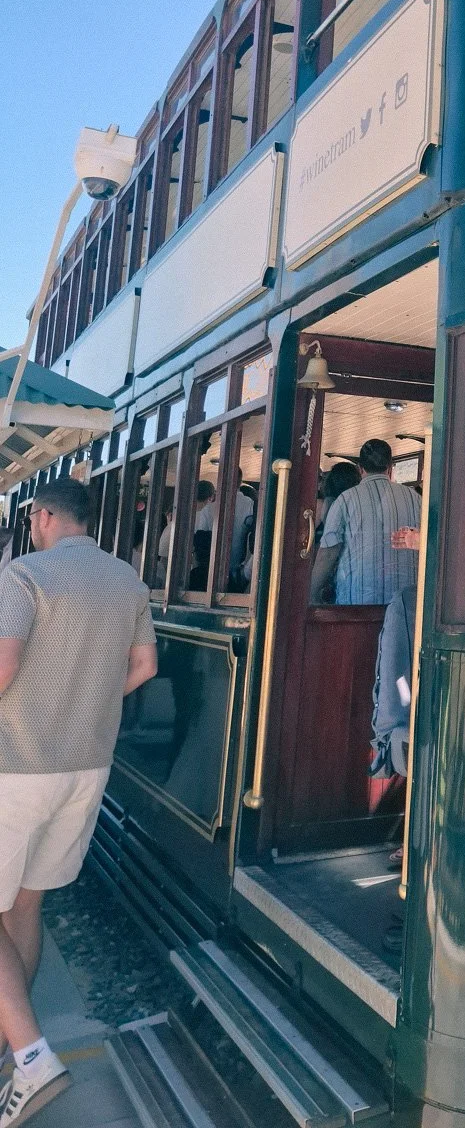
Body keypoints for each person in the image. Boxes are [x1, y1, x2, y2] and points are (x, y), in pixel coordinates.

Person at [0, 478, 157, 1123]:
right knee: (25, 906)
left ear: (41, 516)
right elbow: (144, 666)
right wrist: (86, 706)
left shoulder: (23, 576)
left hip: (15, 766)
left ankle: (33, 1056)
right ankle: (14, 1048)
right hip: (86, 768)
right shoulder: (129, 582)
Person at [309, 440, 420, 779]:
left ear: (360, 470)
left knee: (354, 693)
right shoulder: (415, 499)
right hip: (406, 615)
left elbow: (328, 554)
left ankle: (369, 756)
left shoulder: (345, 500)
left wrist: (310, 594)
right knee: (401, 686)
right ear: (391, 468)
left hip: (355, 614)